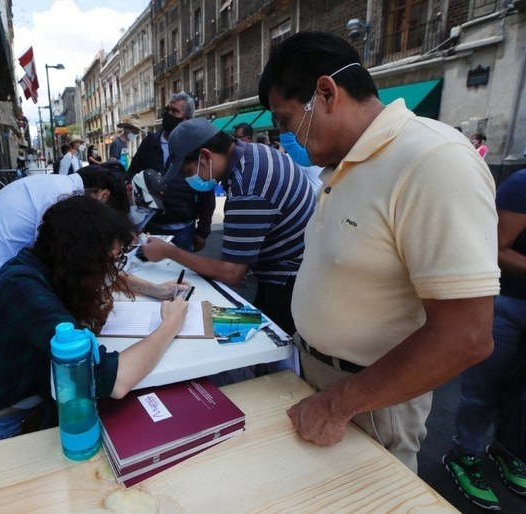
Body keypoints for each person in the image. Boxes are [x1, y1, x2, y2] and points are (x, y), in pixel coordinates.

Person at [259, 31, 500, 472]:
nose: (287, 136)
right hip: (317, 377)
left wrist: (338, 405)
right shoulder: (342, 164)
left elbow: (465, 335)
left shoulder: (432, 159)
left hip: (368, 397)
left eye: (285, 120)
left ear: (326, 93)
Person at [0, 195, 189, 448]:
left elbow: (111, 274)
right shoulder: (23, 292)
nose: (111, 270)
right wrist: (171, 324)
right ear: (82, 260)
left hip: (31, 411)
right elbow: (115, 380)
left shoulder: (40, 265)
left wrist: (155, 290)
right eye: (107, 261)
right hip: (1, 433)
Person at [0, 166, 184, 336]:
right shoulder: (61, 204)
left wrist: (154, 289)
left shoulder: (53, 187)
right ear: (102, 197)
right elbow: (78, 269)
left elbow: (89, 268)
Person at [142, 117, 315, 335]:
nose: (189, 180)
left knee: (261, 339)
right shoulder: (255, 154)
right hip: (294, 267)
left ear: (205, 156)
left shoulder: (247, 186)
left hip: (287, 281)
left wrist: (169, 251)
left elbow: (231, 273)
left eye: (188, 172)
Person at [442, 167, 526, 510]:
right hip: (508, 305)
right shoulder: (521, 185)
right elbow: (497, 247)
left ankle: (508, 450)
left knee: (521, 396)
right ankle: (465, 454)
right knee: (483, 390)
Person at [128, 92, 215, 251]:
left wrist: (203, 231)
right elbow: (131, 176)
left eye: (175, 112)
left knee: (179, 273)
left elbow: (207, 192)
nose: (168, 115)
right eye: (167, 109)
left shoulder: (196, 148)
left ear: (187, 119)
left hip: (182, 229)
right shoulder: (150, 143)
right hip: (150, 227)